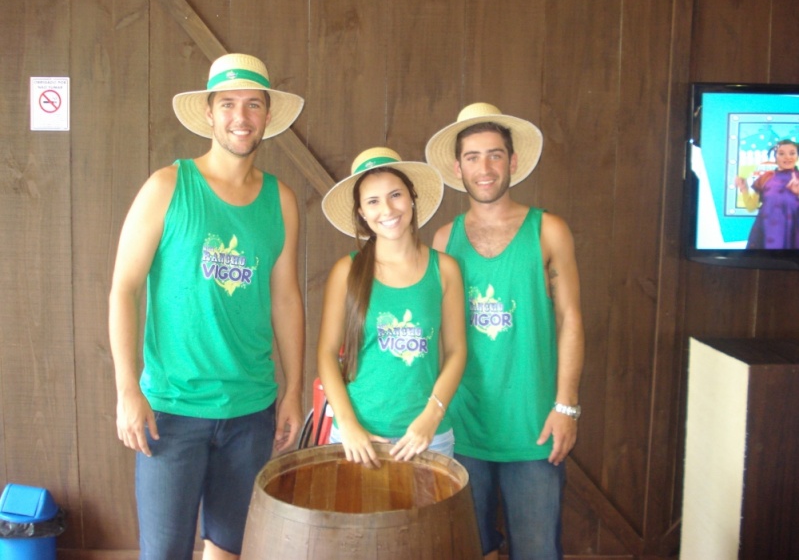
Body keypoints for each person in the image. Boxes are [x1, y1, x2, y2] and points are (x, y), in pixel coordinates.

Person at [109, 53, 306, 560]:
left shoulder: (280, 200)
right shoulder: (168, 187)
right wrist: (128, 388)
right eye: (228, 104)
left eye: (253, 105)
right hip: (170, 411)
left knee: (229, 548)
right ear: (210, 113)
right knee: (164, 552)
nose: (241, 116)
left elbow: (285, 298)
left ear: (267, 115)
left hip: (251, 409)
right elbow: (123, 289)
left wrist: (293, 390)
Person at [425, 103, 585, 560]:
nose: (485, 167)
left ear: (513, 162)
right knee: (469, 549)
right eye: (473, 157)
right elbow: (432, 338)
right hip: (462, 427)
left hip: (533, 427)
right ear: (458, 168)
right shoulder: (443, 240)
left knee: (537, 551)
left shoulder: (548, 231)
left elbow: (570, 319)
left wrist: (566, 406)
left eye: (495, 154)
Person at [317, 147, 467, 469]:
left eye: (396, 195)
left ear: (412, 198)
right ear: (361, 212)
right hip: (359, 439)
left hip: (428, 438)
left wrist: (431, 416)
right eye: (373, 201)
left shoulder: (445, 270)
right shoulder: (347, 271)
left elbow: (456, 351)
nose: (387, 209)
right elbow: (327, 354)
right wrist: (348, 426)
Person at [734, 139, 799, 249]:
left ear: (797, 156)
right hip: (766, 235)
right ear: (775, 157)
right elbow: (751, 207)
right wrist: (744, 188)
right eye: (781, 153)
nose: (787, 157)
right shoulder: (765, 178)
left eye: (792, 153)